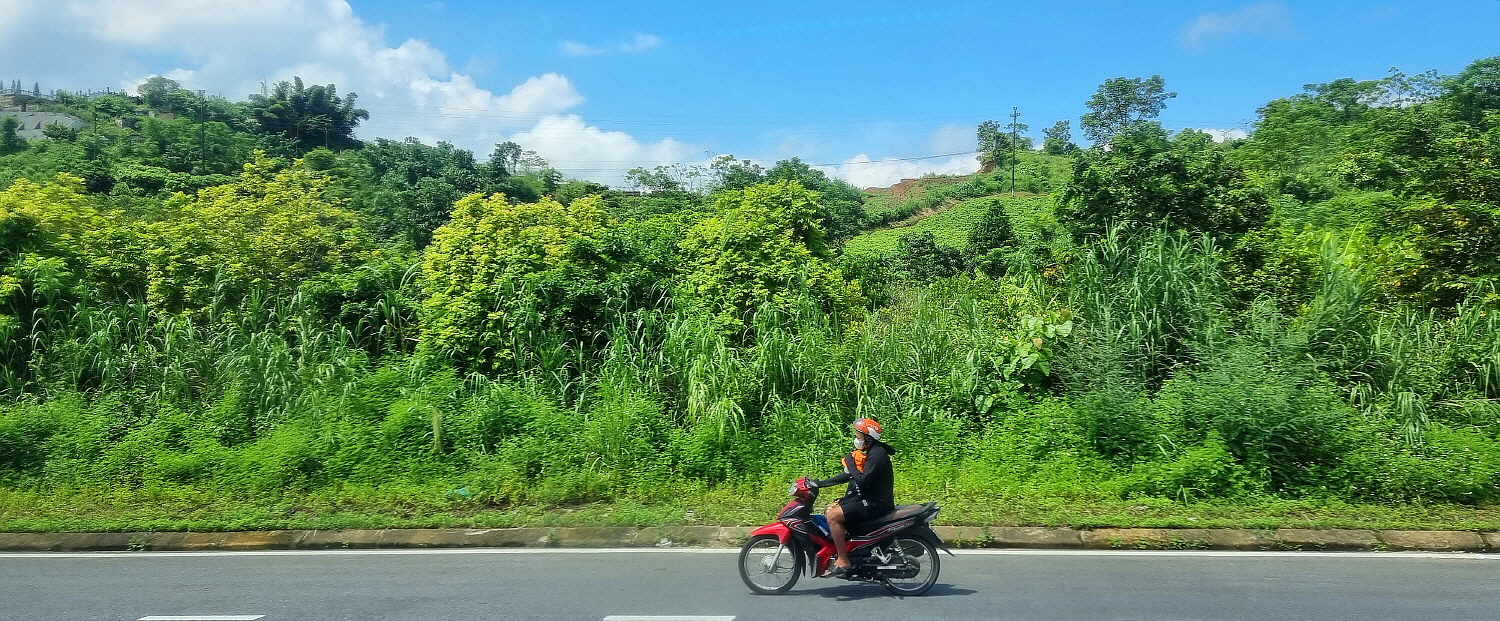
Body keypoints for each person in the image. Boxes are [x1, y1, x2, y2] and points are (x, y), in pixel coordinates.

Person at [811, 418, 895, 577]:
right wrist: (820, 484)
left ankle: (843, 559)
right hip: (869, 500)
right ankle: (852, 549)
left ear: (868, 436)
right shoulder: (871, 452)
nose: (856, 437)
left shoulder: (877, 454)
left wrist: (850, 464)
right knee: (830, 509)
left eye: (859, 434)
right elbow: (849, 476)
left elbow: (862, 481)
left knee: (833, 517)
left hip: (876, 504)